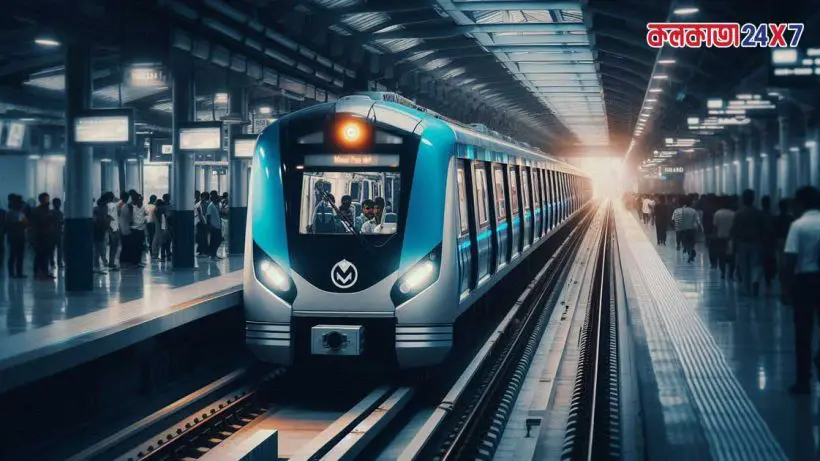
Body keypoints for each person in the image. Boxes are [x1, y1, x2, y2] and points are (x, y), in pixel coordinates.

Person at [782, 186, 820, 395]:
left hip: (805, 282)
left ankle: (803, 381)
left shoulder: (799, 225)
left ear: (801, 203)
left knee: (803, 333)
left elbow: (790, 258)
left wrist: (786, 288)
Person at [730, 189, 765, 296]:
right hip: (756, 242)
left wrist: (733, 245)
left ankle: (747, 288)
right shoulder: (758, 213)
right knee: (756, 265)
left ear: (743, 199)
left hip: (742, 243)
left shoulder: (739, 214)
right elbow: (763, 229)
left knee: (744, 266)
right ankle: (755, 281)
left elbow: (734, 230)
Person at [31, 193, 58, 280]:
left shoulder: (47, 210)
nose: (47, 201)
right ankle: (38, 272)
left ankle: (45, 272)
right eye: (46, 199)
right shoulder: (37, 211)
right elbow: (37, 223)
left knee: (46, 255)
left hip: (48, 236)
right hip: (40, 236)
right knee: (40, 255)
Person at [712, 196, 736, 279]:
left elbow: (715, 227)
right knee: (732, 257)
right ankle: (731, 273)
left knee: (721, 256)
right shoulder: (733, 214)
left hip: (720, 238)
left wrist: (714, 237)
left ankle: (723, 272)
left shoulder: (717, 213)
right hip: (731, 238)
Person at [673, 195, 701, 263]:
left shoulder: (680, 211)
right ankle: (691, 251)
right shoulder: (693, 211)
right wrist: (700, 227)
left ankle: (690, 252)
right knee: (692, 242)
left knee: (686, 243)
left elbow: (677, 220)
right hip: (692, 229)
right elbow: (698, 220)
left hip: (683, 229)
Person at [760, 195, 777, 293]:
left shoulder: (759, 215)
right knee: (769, 261)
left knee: (760, 262)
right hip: (770, 243)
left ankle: (761, 279)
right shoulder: (772, 216)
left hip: (760, 243)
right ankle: (768, 278)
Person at [6, 194, 26, 278]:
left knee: (20, 256)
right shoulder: (10, 213)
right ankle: (11, 273)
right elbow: (9, 225)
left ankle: (19, 272)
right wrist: (20, 224)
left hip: (20, 236)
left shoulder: (21, 213)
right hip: (14, 237)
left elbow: (25, 224)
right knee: (13, 255)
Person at [93, 197, 110, 273]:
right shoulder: (97, 210)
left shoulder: (100, 210)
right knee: (98, 249)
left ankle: (98, 265)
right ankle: (96, 266)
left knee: (99, 249)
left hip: (101, 231)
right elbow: (100, 220)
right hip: (98, 231)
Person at [129, 194, 147, 267]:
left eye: (142, 200)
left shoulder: (143, 208)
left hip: (141, 230)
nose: (141, 202)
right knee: (134, 247)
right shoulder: (132, 208)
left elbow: (146, 216)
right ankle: (134, 262)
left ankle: (139, 261)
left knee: (140, 247)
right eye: (140, 200)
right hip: (134, 230)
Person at [206, 190, 223, 260]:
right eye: (212, 195)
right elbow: (208, 217)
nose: (215, 196)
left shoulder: (217, 205)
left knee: (217, 240)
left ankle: (214, 254)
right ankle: (212, 255)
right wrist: (209, 226)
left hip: (218, 225)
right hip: (213, 226)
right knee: (215, 240)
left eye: (215, 195)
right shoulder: (210, 206)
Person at [107, 192, 122, 271]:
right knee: (115, 247)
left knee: (113, 247)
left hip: (111, 228)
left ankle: (111, 262)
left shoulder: (107, 205)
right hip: (114, 228)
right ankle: (112, 262)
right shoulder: (112, 205)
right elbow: (121, 201)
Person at [51, 197, 64, 269]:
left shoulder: (60, 213)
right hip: (54, 233)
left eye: (59, 203)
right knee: (53, 249)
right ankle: (54, 262)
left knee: (59, 249)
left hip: (58, 233)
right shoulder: (53, 213)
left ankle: (57, 262)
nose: (58, 205)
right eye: (57, 203)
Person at [145, 195, 157, 259]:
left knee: (149, 236)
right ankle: (152, 251)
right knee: (153, 237)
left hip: (147, 223)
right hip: (153, 223)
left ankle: (150, 249)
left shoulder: (146, 206)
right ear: (155, 200)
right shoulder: (155, 207)